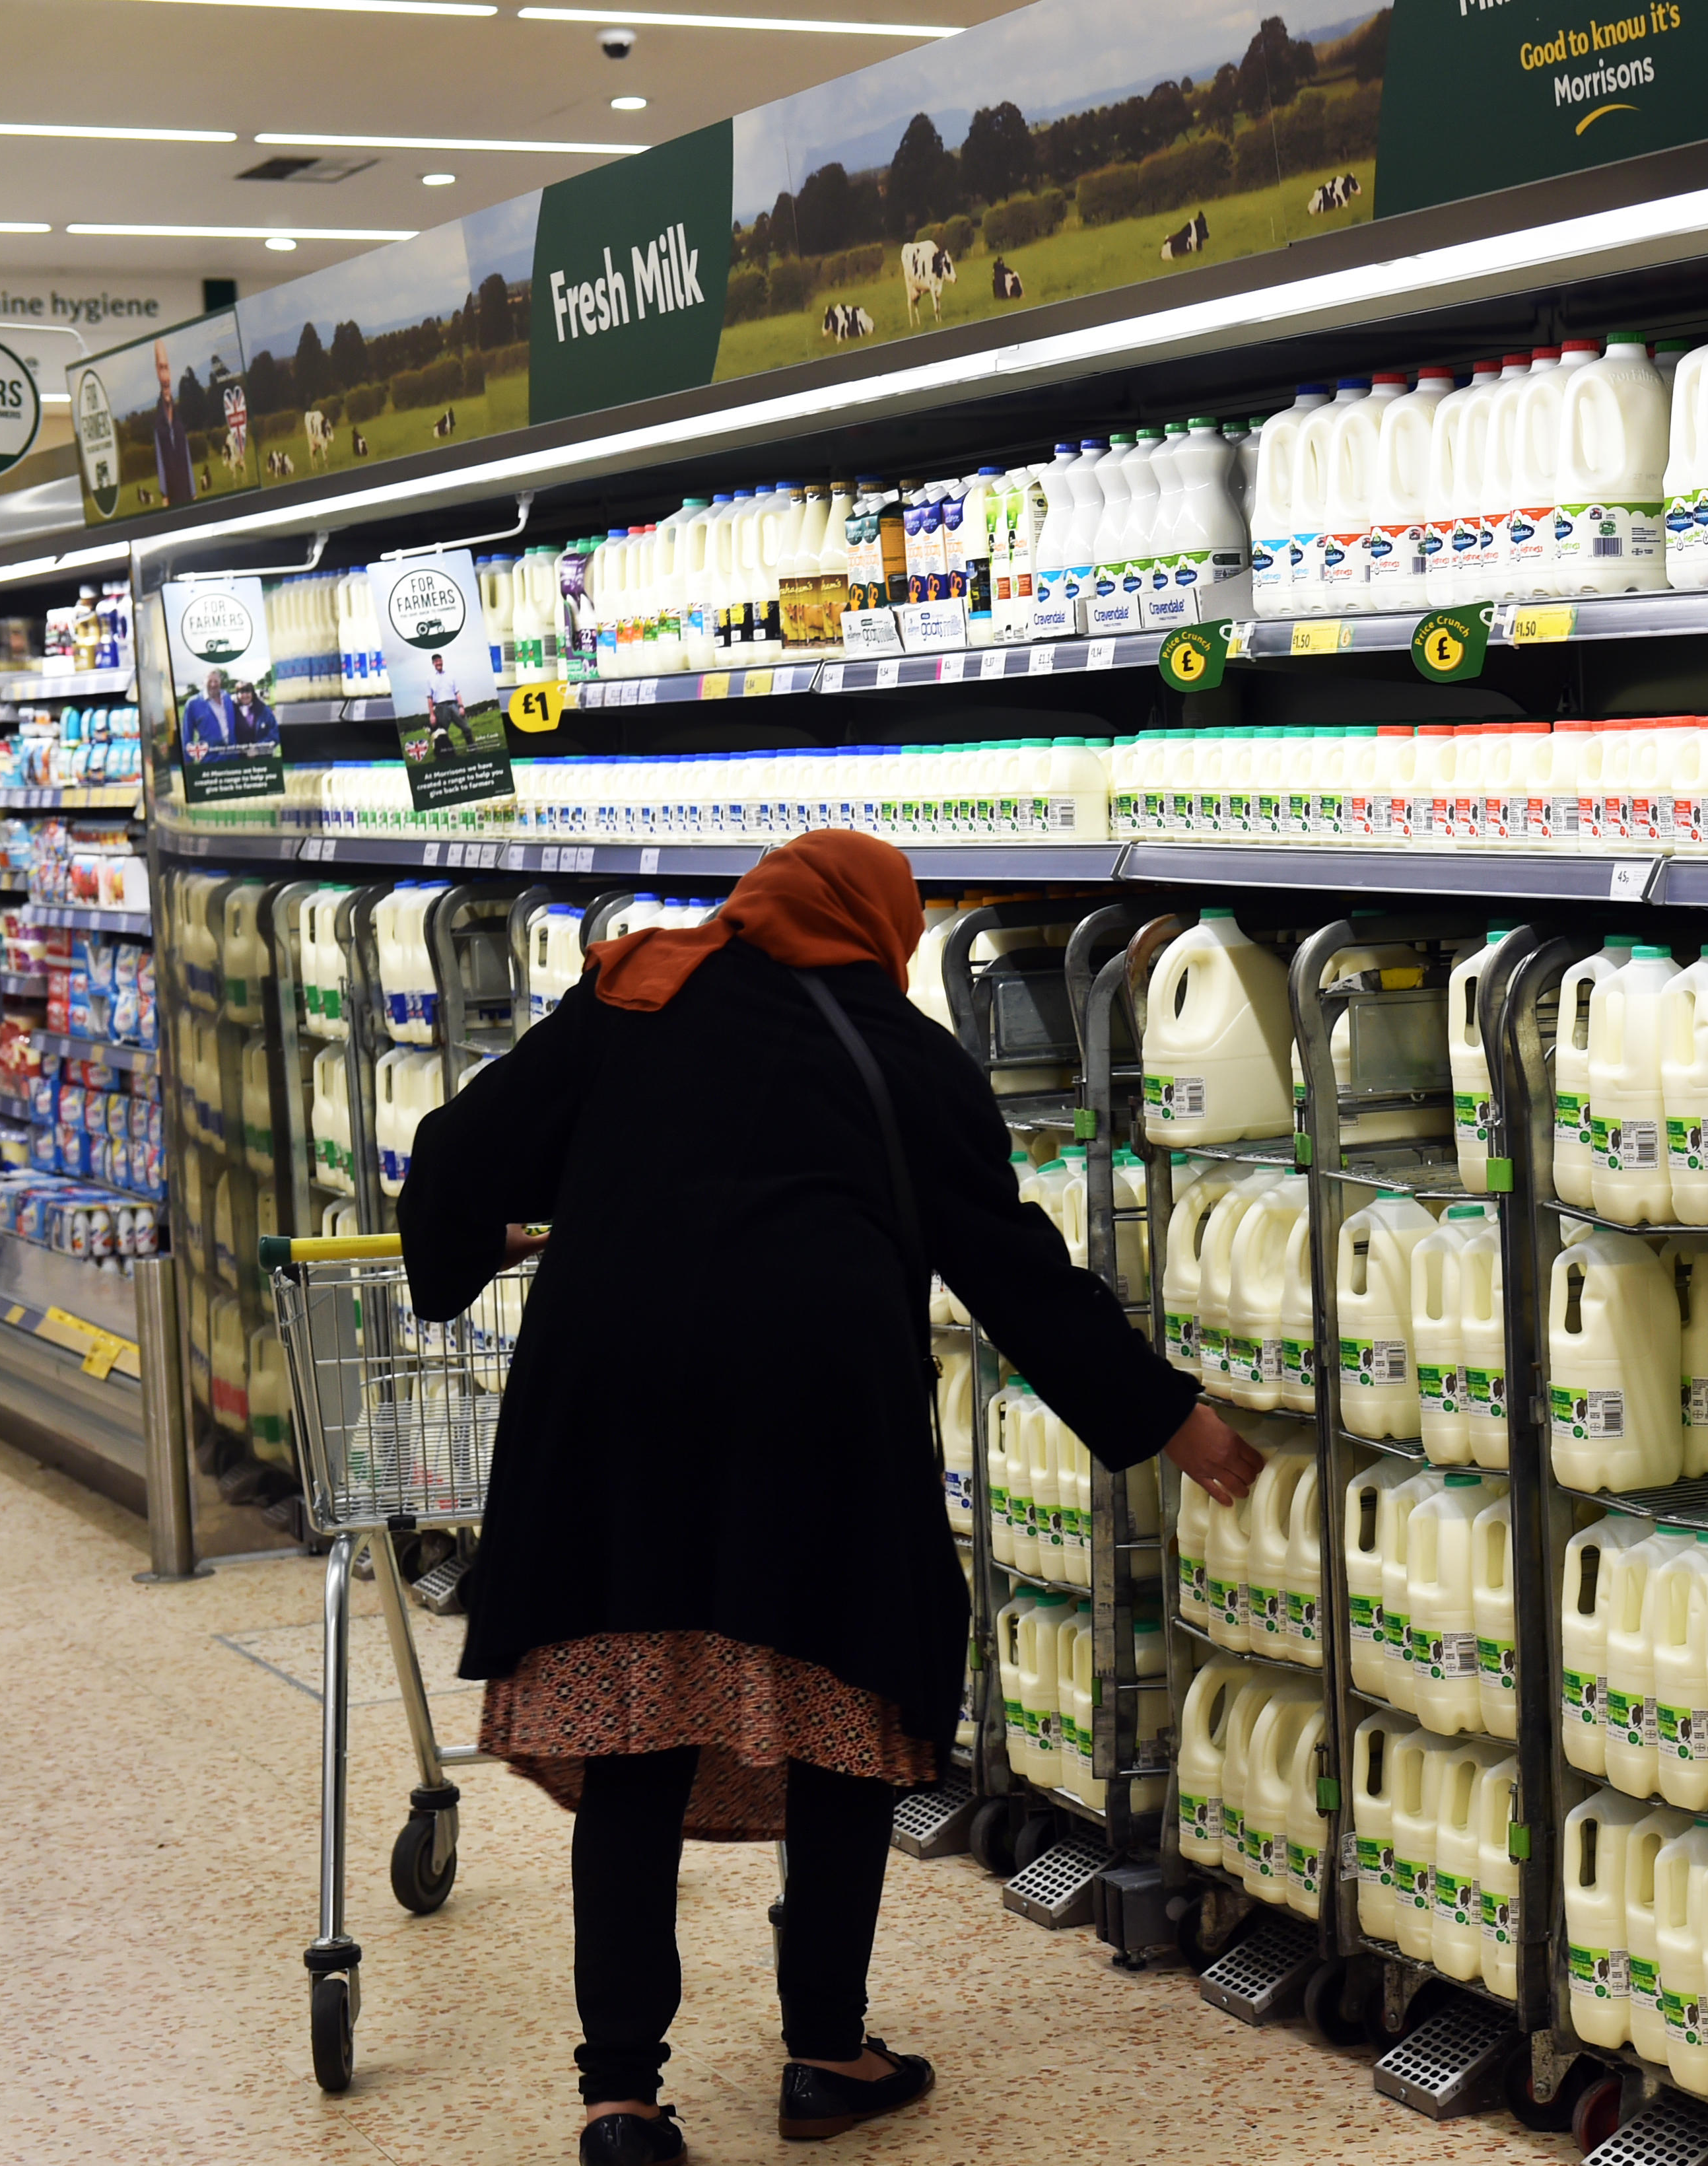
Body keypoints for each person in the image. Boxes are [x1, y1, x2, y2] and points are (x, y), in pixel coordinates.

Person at [397, 832, 1261, 2164]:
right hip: (812, 1407)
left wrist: (496, 1234)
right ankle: (824, 2051)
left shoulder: (638, 989)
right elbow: (1013, 1267)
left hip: (611, 1404)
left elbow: (459, 1152)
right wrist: (1173, 1419)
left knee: (636, 1740)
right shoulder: (905, 1053)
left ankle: (620, 2094)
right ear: (882, 926)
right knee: (850, 1706)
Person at [148, 341, 193, 510]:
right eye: (161, 368)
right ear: (157, 372)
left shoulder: (178, 415)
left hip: (188, 493)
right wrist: (164, 495)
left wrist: (194, 491)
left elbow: (187, 454)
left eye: (167, 368)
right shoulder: (158, 420)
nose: (165, 375)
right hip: (173, 498)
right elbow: (160, 458)